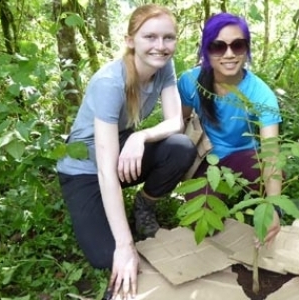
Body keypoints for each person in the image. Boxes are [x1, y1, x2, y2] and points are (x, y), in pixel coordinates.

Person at [56, 4, 196, 299]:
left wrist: (140, 137)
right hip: (85, 172)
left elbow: (175, 122)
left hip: (121, 152)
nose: (161, 46)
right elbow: (106, 172)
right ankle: (117, 235)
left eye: (168, 38)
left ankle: (143, 207)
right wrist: (125, 245)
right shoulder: (110, 82)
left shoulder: (164, 66)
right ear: (131, 40)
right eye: (150, 37)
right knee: (105, 256)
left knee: (181, 148)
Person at [177, 13, 283, 246]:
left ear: (246, 49)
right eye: (218, 46)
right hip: (208, 156)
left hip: (245, 156)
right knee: (203, 227)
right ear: (206, 49)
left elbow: (271, 152)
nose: (229, 54)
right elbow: (180, 123)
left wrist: (274, 207)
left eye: (238, 45)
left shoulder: (261, 94)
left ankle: (263, 208)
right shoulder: (190, 82)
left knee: (270, 177)